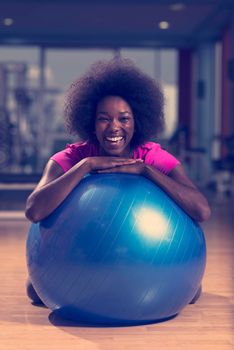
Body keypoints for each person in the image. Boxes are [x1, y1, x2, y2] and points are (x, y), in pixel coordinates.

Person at [25, 57, 211, 305]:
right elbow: (34, 210)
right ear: (92, 121)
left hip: (145, 259)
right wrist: (86, 165)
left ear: (137, 122)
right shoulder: (71, 158)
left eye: (124, 119)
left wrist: (145, 171)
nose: (114, 127)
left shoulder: (152, 157)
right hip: (79, 257)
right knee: (35, 291)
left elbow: (202, 210)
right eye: (104, 118)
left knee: (190, 291)